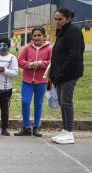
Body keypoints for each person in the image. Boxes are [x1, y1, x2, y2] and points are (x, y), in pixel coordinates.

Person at [50, 8, 85, 144]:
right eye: (56, 19)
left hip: (69, 73)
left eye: (60, 19)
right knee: (61, 102)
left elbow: (74, 55)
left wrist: (61, 72)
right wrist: (54, 73)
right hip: (60, 74)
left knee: (66, 102)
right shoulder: (61, 32)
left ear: (68, 19)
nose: (57, 21)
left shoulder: (73, 31)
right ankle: (65, 130)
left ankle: (69, 133)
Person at [15, 27, 52, 137]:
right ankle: (26, 128)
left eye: (39, 35)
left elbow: (52, 62)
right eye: (34, 35)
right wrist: (30, 65)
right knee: (25, 101)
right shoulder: (27, 48)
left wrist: (40, 64)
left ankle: (36, 127)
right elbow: (20, 61)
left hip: (42, 81)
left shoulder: (49, 48)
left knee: (38, 103)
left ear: (44, 36)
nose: (36, 37)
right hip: (27, 80)